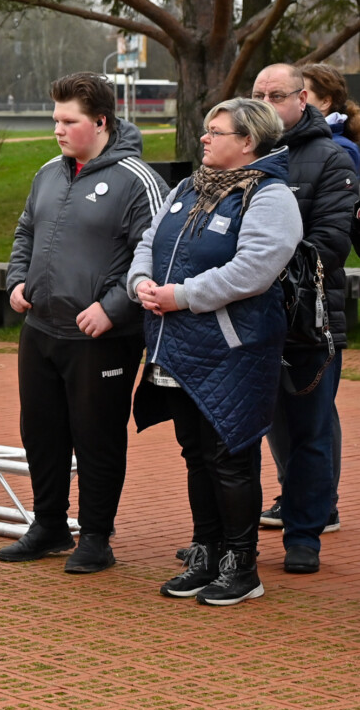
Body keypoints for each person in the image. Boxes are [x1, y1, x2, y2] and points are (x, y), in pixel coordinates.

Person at [129, 97, 300, 606]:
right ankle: (205, 553)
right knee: (196, 456)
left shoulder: (270, 196)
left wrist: (181, 296)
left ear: (248, 142)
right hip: (176, 348)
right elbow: (148, 242)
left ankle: (240, 566)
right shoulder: (187, 188)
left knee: (230, 457)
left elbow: (254, 269)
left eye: (216, 131)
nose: (203, 137)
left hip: (233, 351)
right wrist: (141, 282)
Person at [1, 73, 162, 572]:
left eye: (68, 121)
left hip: (102, 337)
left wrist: (112, 308)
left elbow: (156, 255)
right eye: (55, 120)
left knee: (97, 436)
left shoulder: (138, 181)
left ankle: (95, 536)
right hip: (41, 329)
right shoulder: (48, 173)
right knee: (41, 432)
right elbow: (26, 231)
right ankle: (49, 525)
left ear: (101, 122)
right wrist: (17, 280)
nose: (58, 130)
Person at [249, 64, 357, 574]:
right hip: (243, 320)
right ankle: (231, 537)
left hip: (308, 322)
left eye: (276, 95)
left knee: (309, 432)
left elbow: (331, 242)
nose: (266, 103)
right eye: (257, 94)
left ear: (302, 100)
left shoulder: (331, 158)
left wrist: (254, 270)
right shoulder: (241, 153)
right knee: (249, 430)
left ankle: (305, 535)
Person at [302, 62, 360, 174]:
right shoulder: (292, 140)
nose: (296, 100)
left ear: (325, 102)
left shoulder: (343, 149)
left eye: (303, 95)